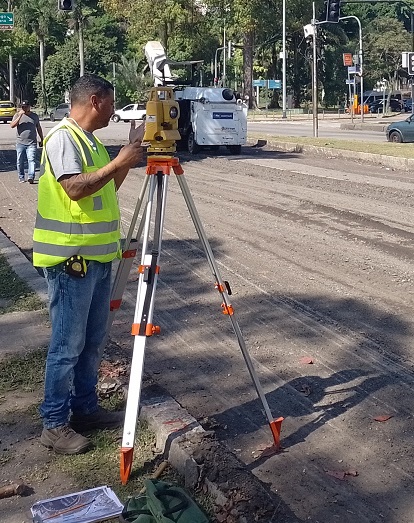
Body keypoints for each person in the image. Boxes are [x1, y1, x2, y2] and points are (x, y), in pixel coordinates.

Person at [32, 74, 145, 455]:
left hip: (96, 259)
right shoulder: (64, 137)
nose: (115, 111)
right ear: (96, 100)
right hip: (70, 262)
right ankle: (54, 423)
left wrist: (127, 156)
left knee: (92, 343)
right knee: (67, 346)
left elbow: (104, 187)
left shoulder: (92, 143)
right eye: (112, 103)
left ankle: (85, 409)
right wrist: (119, 161)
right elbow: (75, 188)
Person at [10, 100, 43, 184]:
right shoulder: (17, 115)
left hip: (32, 142)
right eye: (23, 107)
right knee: (20, 161)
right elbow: (12, 125)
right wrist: (20, 116)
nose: (24, 108)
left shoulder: (34, 116)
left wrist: (42, 139)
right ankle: (21, 177)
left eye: (26, 107)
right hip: (20, 142)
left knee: (31, 159)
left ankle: (31, 176)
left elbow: (38, 128)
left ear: (29, 107)